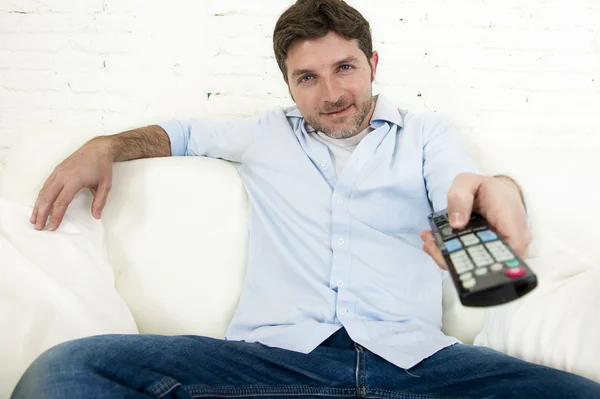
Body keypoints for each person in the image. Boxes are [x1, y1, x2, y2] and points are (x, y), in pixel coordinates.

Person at [11, 0, 600, 398]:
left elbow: (467, 188)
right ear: (288, 84)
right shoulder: (262, 132)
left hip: (416, 363)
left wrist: (502, 192)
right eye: (307, 78)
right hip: (271, 361)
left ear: (372, 64)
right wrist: (105, 145)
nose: (332, 93)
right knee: (65, 369)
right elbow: (180, 133)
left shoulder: (428, 133)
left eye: (345, 67)